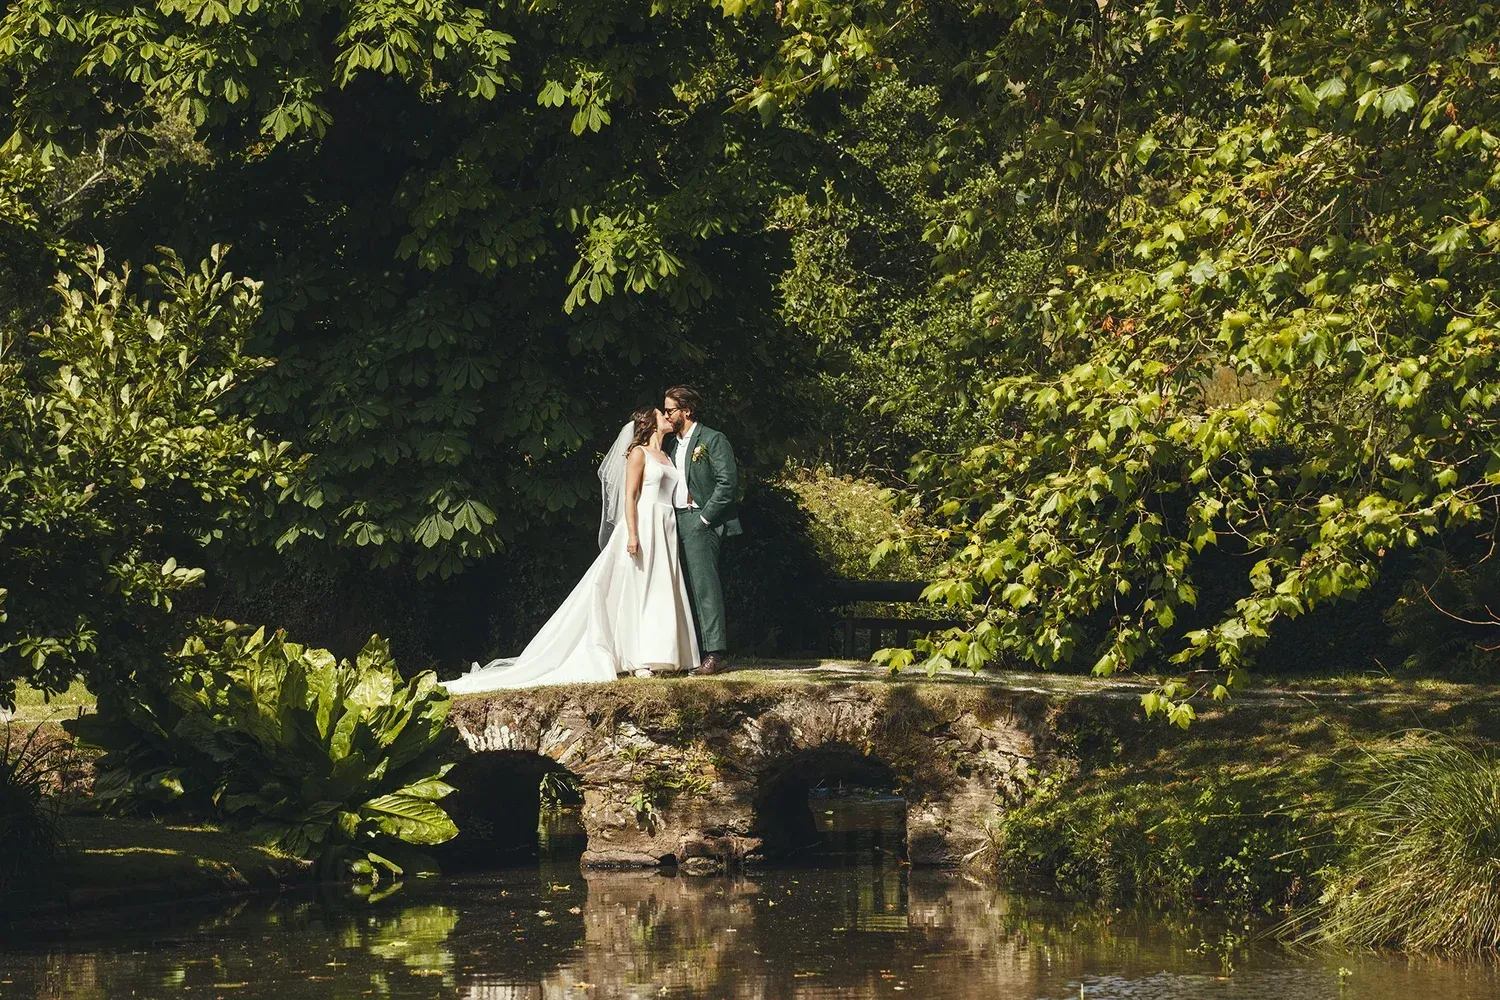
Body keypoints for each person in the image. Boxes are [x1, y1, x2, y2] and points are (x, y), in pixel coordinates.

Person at [444, 406, 699, 693]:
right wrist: (632, 533)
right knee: (637, 588)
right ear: (651, 424)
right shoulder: (638, 453)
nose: (667, 416)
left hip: (666, 527)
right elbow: (630, 495)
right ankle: (637, 657)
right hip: (644, 523)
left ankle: (665, 654)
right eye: (661, 413)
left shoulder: (667, 456)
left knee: (663, 587)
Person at [661, 385, 741, 676]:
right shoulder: (670, 445)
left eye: (670, 410)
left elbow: (727, 484)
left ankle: (715, 653)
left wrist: (705, 519)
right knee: (676, 587)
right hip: (672, 521)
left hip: (699, 520)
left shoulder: (712, 440)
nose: (667, 415)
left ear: (687, 410)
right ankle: (684, 652)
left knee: (704, 586)